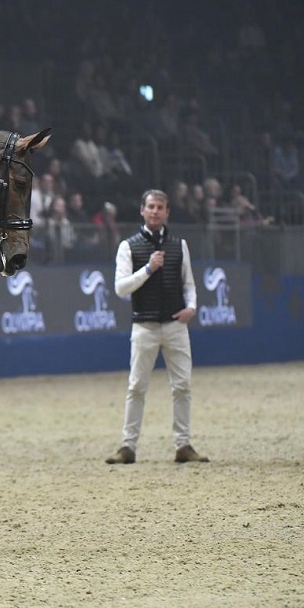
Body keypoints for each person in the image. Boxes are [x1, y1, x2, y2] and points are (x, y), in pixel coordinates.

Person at [105, 189, 209, 465]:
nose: (155, 211)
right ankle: (127, 447)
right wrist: (148, 269)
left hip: (176, 324)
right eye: (151, 206)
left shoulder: (179, 245)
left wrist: (192, 307)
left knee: (183, 386)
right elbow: (120, 288)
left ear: (167, 212)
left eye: (160, 207)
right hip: (145, 326)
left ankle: (183, 445)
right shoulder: (128, 246)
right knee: (137, 386)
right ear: (142, 210)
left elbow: (188, 282)